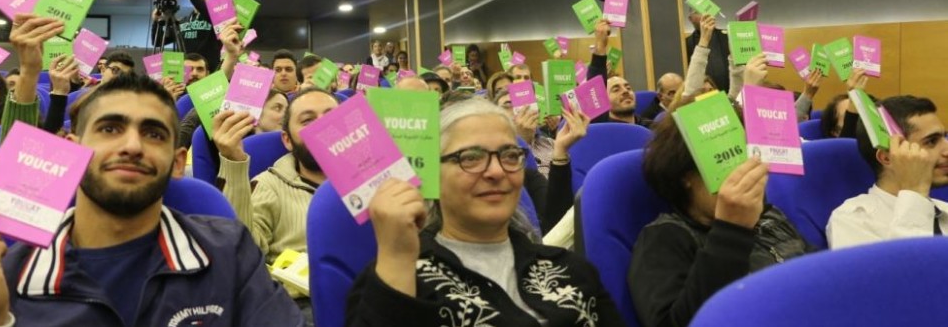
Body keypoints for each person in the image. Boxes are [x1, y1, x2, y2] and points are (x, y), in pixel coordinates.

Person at [0, 18, 305, 326]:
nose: (133, 145)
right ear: (72, 150)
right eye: (110, 129)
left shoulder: (231, 252)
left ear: (178, 162)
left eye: (154, 134)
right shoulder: (1, 275)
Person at [346, 98, 625, 326]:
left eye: (509, 156)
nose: (496, 171)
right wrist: (396, 257)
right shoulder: (401, 275)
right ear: (433, 174)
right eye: (471, 158)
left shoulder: (570, 268)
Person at [628, 108, 808, 327]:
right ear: (686, 176)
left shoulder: (770, 216)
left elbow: (821, 273)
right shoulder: (664, 237)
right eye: (726, 160)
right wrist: (731, 231)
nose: (744, 172)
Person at [214, 88, 339, 261]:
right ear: (287, 140)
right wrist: (234, 161)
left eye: (332, 116)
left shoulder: (370, 178)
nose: (322, 125)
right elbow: (243, 254)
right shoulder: (269, 186)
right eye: (307, 120)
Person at [827, 95, 948, 249]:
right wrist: (914, 193)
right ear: (887, 158)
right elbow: (911, 263)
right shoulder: (853, 220)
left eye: (944, 138)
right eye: (931, 141)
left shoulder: (944, 209)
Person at [150, 0, 222, 72]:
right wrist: (155, 21)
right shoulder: (184, 21)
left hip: (209, 74)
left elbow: (204, 7)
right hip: (186, 74)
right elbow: (157, 41)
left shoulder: (217, 16)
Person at [684, 8, 730, 92]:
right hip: (702, 94)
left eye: (706, 10)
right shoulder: (686, 44)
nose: (704, 14)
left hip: (728, 91)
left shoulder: (727, 37)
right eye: (697, 12)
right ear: (690, 19)